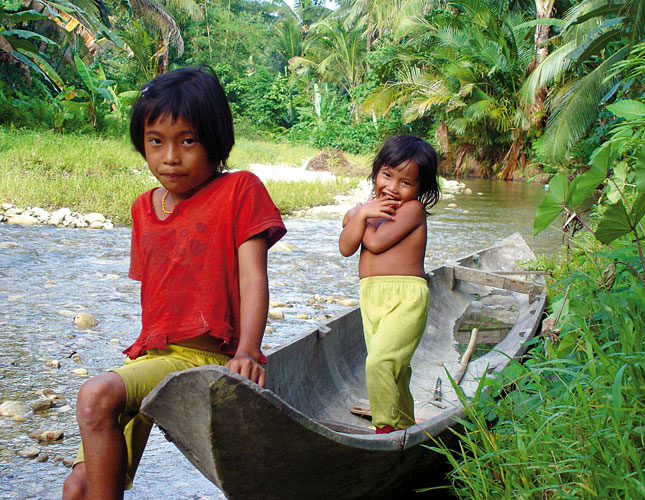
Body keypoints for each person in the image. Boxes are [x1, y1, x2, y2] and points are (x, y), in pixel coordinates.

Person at [62, 65, 286, 499]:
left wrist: (247, 352)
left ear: (214, 139)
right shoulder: (144, 207)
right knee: (78, 485)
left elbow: (253, 276)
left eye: (188, 141)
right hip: (152, 357)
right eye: (155, 142)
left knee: (94, 396)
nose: (170, 157)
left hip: (204, 360)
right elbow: (161, 295)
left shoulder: (240, 189)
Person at [339, 134, 440, 434]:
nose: (393, 188)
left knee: (379, 363)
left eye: (406, 183)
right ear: (376, 171)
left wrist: (359, 214)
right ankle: (405, 425)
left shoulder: (412, 211)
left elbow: (375, 241)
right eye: (387, 175)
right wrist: (362, 214)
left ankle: (384, 427)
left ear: (420, 188)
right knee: (394, 371)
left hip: (405, 298)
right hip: (371, 297)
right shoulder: (370, 209)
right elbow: (346, 247)